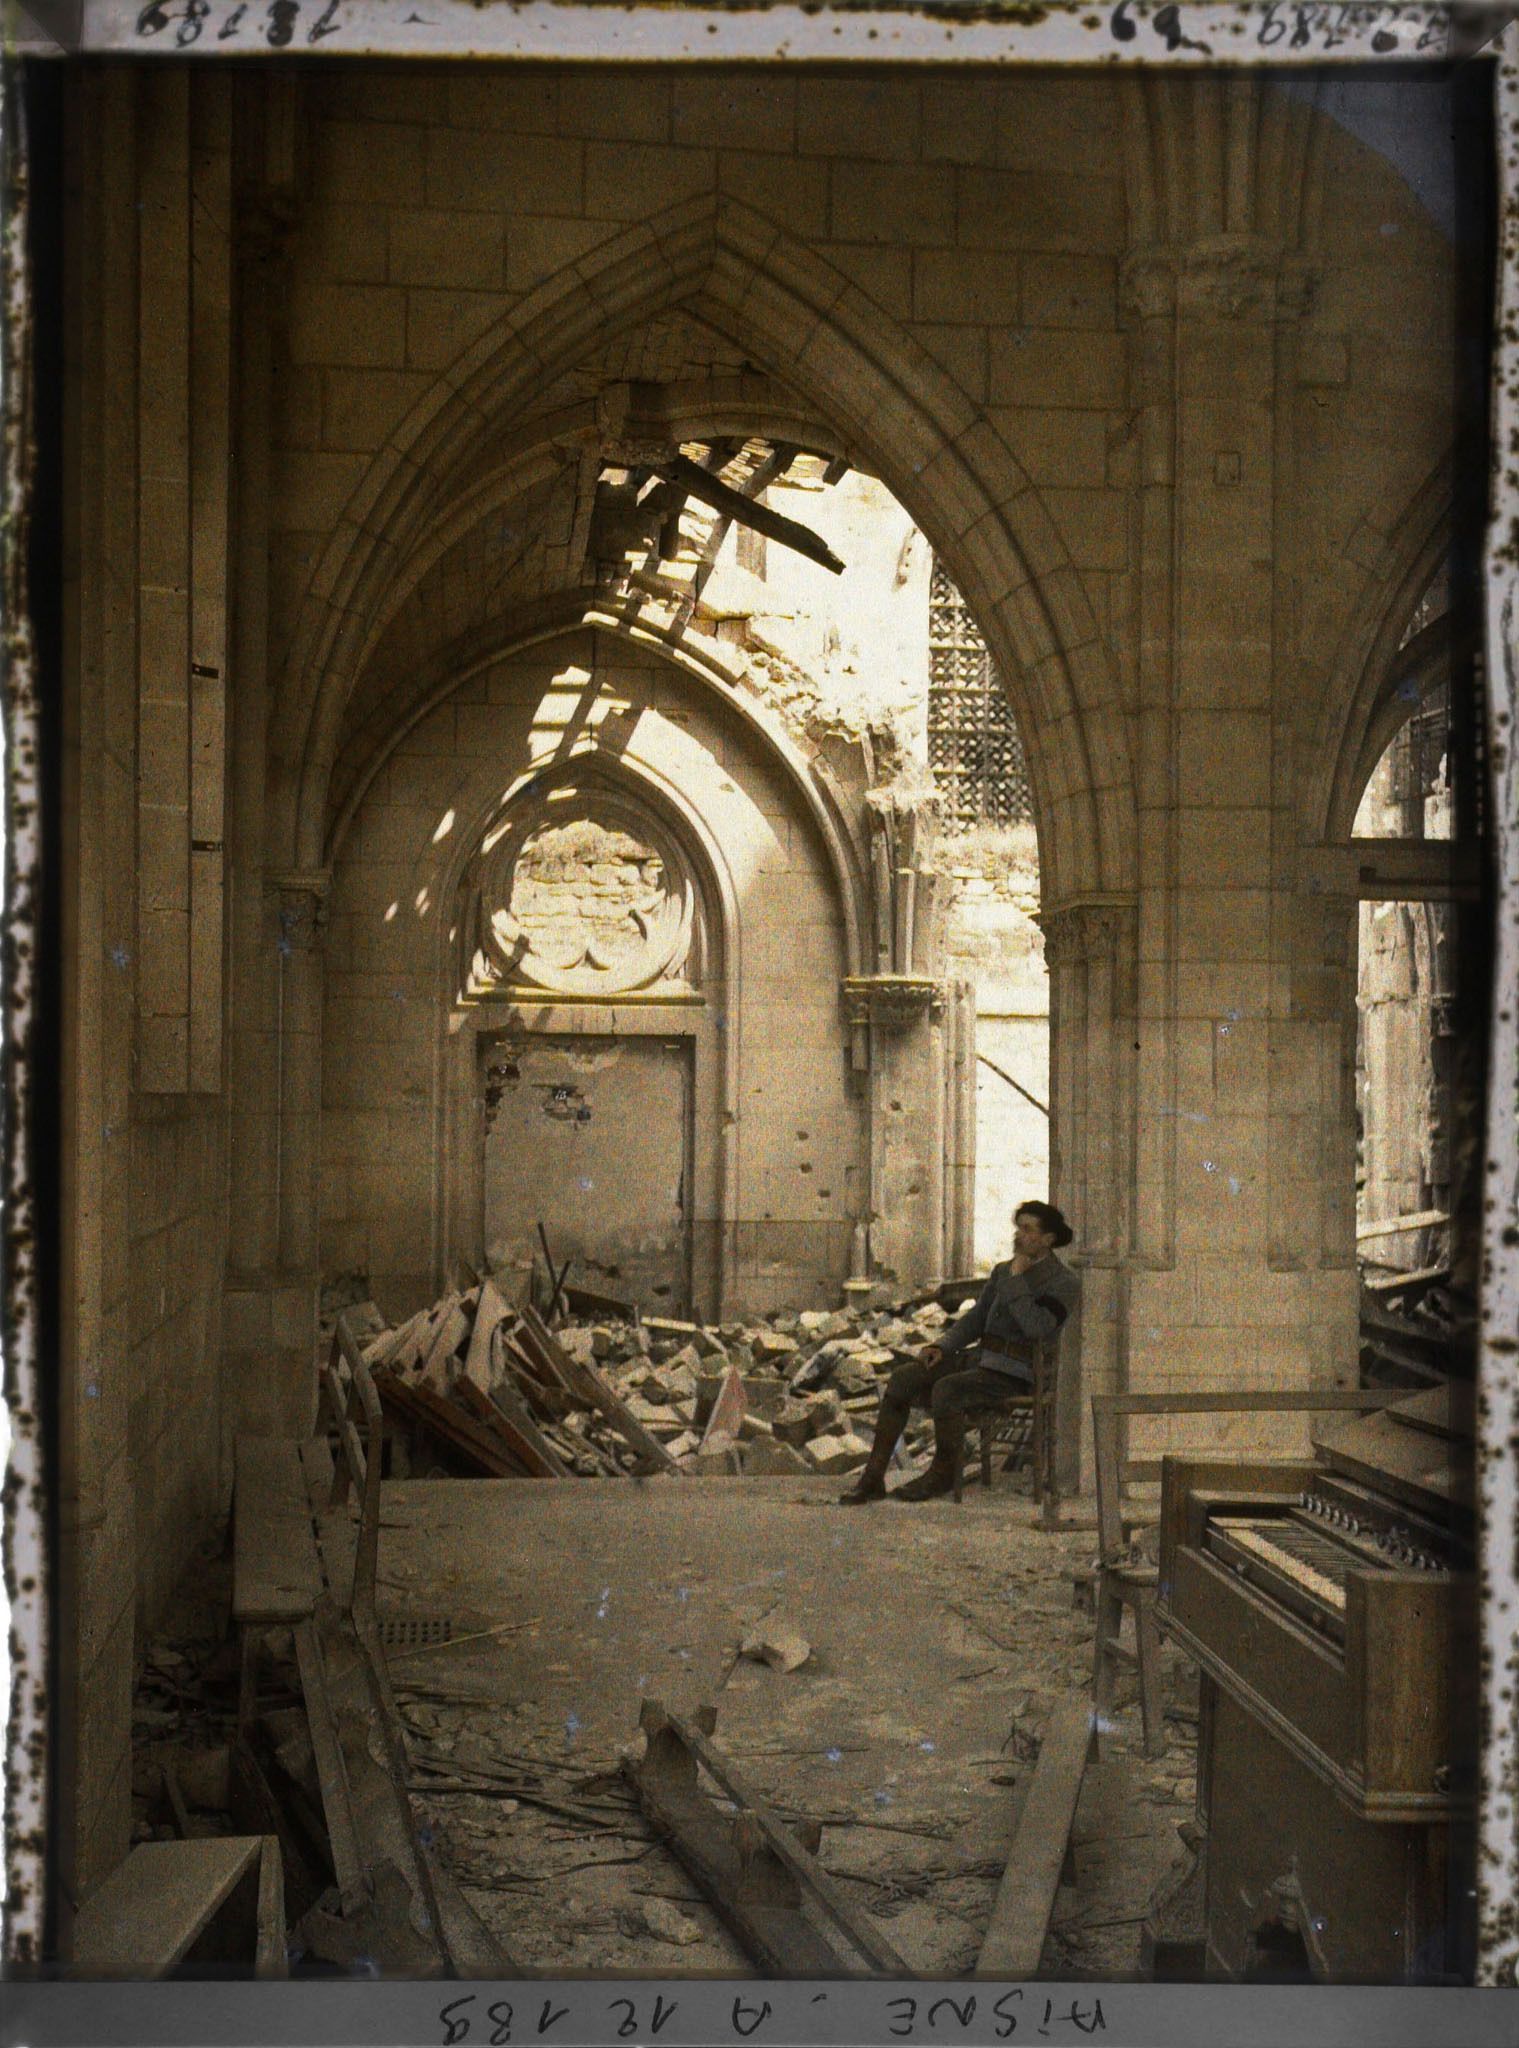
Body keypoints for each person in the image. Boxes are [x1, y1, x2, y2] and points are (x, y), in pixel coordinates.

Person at [838, 1200, 1079, 1505]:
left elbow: (1036, 1327)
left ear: (1048, 1239)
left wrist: (1017, 1281)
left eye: (1027, 1229)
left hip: (1018, 1374)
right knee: (903, 1378)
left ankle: (943, 1473)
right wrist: (941, 1346)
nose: (1018, 1235)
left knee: (948, 1388)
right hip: (982, 1360)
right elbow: (976, 1319)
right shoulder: (1002, 1272)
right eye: (1018, 1228)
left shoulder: (1064, 1282)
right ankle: (873, 1477)